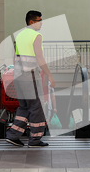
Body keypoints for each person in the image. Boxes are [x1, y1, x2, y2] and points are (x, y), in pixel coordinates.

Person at [6, 10, 55, 147]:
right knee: (37, 107)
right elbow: (39, 58)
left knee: (24, 107)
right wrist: (50, 75)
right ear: (31, 22)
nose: (41, 23)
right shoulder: (36, 35)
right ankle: (35, 139)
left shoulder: (20, 35)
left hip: (19, 76)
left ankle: (13, 135)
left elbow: (17, 58)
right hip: (31, 76)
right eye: (39, 20)